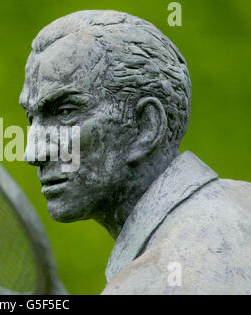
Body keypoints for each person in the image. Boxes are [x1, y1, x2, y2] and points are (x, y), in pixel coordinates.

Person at [20, 10, 251, 294]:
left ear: (145, 127)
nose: (33, 153)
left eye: (65, 112)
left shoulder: (146, 285)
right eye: (31, 119)